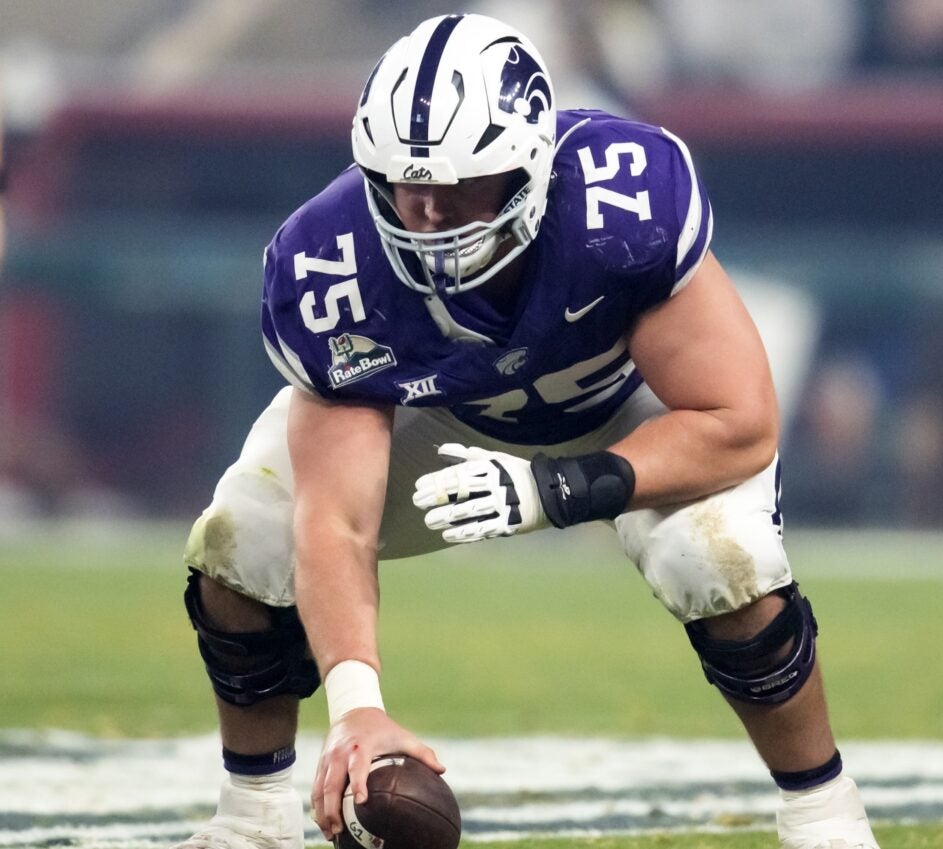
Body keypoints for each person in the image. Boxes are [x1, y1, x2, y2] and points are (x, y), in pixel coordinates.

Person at [175, 13, 879, 849]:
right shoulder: (330, 263)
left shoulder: (619, 202)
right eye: (406, 184)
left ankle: (823, 813)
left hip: (632, 406)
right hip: (439, 415)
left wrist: (554, 490)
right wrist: (358, 709)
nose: (428, 215)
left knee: (719, 558)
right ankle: (252, 819)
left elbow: (739, 423)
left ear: (528, 168)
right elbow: (334, 519)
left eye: (460, 185)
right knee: (239, 536)